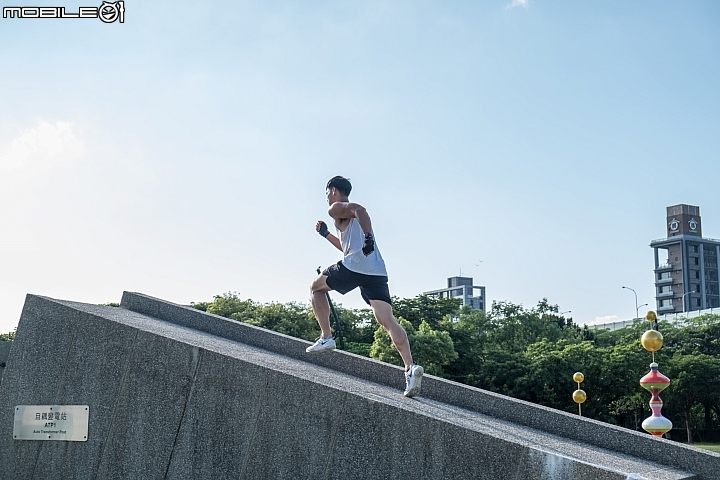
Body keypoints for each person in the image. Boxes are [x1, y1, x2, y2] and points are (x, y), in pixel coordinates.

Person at [307, 175, 424, 398]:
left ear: (332, 190)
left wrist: (369, 237)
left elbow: (361, 209)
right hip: (376, 271)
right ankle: (410, 367)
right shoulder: (344, 217)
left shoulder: (335, 208)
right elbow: (346, 247)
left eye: (326, 193)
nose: (326, 199)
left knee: (315, 288)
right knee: (387, 320)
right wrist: (327, 235)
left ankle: (326, 336)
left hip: (355, 267)